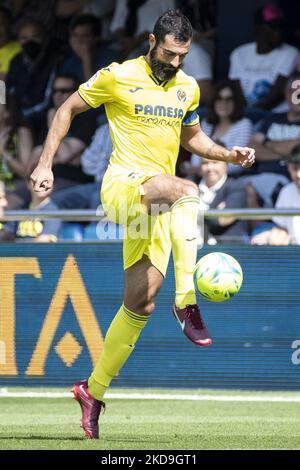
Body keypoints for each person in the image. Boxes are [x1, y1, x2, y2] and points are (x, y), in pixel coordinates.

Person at [30, 10, 255, 439]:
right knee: (187, 190)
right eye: (168, 53)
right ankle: (187, 301)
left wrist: (228, 154)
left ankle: (91, 391)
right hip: (122, 189)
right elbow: (67, 109)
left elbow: (193, 137)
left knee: (140, 302)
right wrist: (45, 163)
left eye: (182, 56)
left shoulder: (186, 87)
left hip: (155, 204)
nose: (174, 62)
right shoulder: (118, 75)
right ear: (151, 40)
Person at [229, 4, 299, 115]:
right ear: (258, 27)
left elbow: (276, 95)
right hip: (245, 113)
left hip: (276, 115)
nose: (278, 32)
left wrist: (250, 114)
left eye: (280, 27)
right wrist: (244, 114)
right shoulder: (239, 53)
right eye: (272, 27)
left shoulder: (291, 53)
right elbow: (236, 91)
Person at [249, 71, 300, 176]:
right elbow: (252, 150)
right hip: (260, 176)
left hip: (292, 179)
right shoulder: (272, 118)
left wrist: (266, 142)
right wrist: (287, 155)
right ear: (287, 94)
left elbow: (295, 148)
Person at [250, 144, 300, 246]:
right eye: (295, 168)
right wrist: (270, 235)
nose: (298, 175)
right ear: (288, 167)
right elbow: (283, 228)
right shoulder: (287, 192)